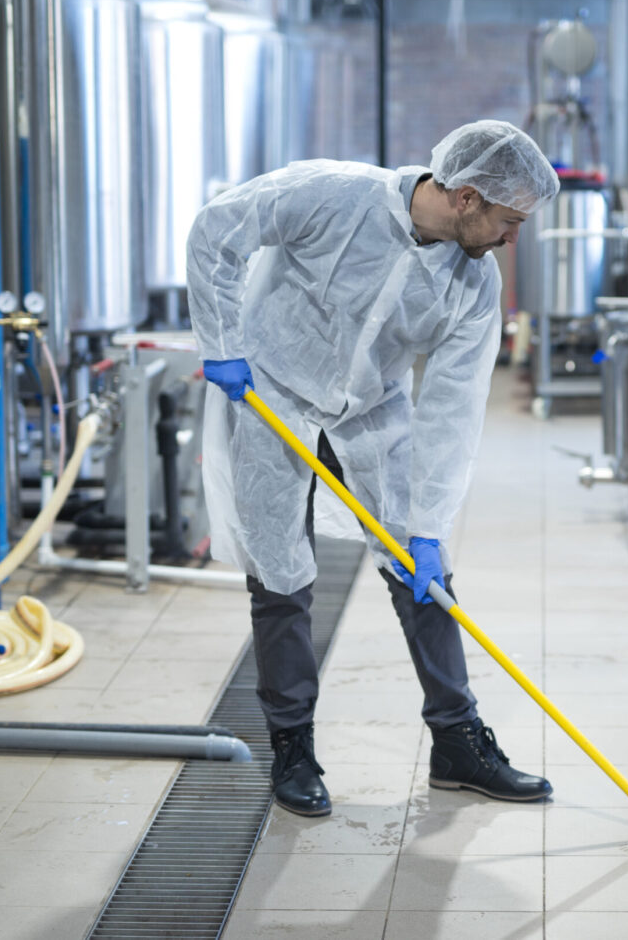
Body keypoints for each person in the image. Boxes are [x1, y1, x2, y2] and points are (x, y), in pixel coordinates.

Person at [186, 120, 560, 817]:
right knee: (279, 577)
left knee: (425, 577)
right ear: (469, 197)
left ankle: (457, 743)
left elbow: (453, 410)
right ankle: (291, 744)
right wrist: (222, 343)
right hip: (273, 391)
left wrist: (429, 526)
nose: (513, 240)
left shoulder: (474, 284)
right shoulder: (331, 194)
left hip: (369, 412)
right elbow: (218, 231)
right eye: (510, 222)